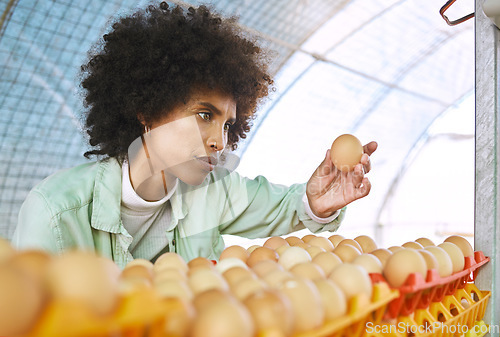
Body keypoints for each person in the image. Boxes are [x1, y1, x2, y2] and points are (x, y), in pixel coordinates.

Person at [12, 2, 377, 269]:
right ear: (147, 111)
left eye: (228, 125)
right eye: (204, 115)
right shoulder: (56, 213)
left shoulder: (212, 189)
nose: (220, 142)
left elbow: (288, 207)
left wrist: (318, 199)